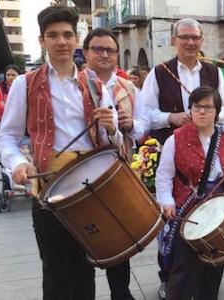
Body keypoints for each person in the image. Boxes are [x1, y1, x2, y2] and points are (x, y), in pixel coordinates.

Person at [0, 5, 124, 299]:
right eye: (53, 35)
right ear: (42, 40)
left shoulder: (94, 83)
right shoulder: (25, 85)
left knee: (84, 268)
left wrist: (112, 127)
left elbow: (111, 142)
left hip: (90, 191)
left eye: (67, 34)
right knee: (54, 272)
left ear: (76, 39)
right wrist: (16, 163)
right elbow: (7, 137)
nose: (61, 42)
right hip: (48, 190)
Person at [155, 86, 224, 299]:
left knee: (214, 266)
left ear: (217, 111)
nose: (202, 112)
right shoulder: (175, 138)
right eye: (197, 107)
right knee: (184, 269)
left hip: (219, 210)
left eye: (207, 107)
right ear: (191, 109)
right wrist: (166, 202)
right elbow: (164, 175)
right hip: (187, 208)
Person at [82, 27, 148, 300]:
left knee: (120, 235)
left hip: (118, 173)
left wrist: (130, 124)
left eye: (110, 50)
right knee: (84, 236)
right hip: (81, 173)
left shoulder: (128, 88)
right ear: (85, 53)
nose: (105, 55)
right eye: (98, 49)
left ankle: (120, 292)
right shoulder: (74, 83)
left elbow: (144, 128)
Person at [140, 18, 224, 145]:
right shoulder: (159, 72)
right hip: (170, 147)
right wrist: (171, 117)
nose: (190, 42)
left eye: (195, 38)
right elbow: (145, 112)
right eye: (184, 37)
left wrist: (210, 117)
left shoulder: (214, 72)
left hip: (208, 147)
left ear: (202, 41)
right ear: (174, 40)